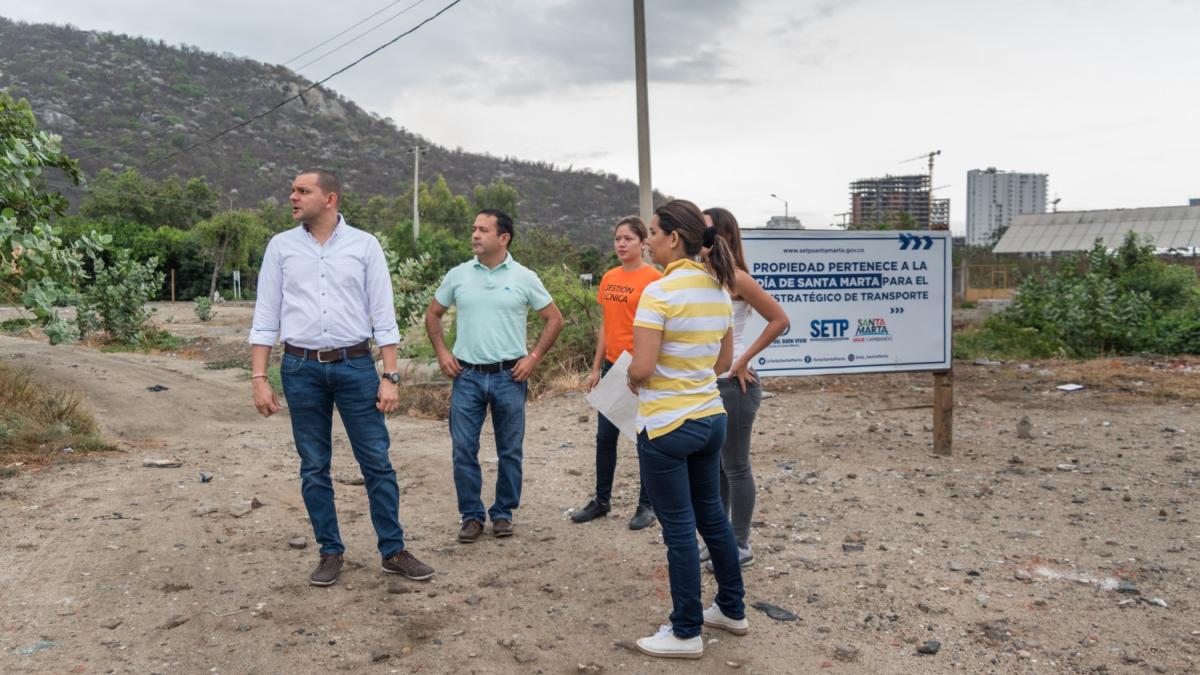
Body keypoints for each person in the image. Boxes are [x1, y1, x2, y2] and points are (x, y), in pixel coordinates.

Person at [249, 168, 434, 587]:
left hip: (355, 366)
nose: (292, 197)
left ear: (329, 198)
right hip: (300, 368)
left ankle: (394, 550)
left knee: (377, 462)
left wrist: (391, 376)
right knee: (314, 466)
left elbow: (383, 316)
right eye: (292, 189)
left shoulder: (364, 246)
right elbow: (265, 317)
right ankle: (330, 552)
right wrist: (260, 377)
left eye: (302, 191)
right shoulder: (280, 248)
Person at [628, 199, 748, 660]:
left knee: (678, 529)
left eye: (652, 233)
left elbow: (641, 366)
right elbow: (721, 363)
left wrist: (632, 377)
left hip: (666, 426)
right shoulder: (718, 289)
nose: (647, 241)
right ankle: (731, 610)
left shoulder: (658, 293)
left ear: (672, 239)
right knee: (713, 517)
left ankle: (684, 632)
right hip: (710, 418)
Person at [425, 209, 563, 543]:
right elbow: (433, 313)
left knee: (510, 450)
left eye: (483, 230)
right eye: (473, 228)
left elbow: (554, 319)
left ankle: (503, 512)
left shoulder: (524, 277)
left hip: (510, 376)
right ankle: (471, 516)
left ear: (504, 238)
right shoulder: (459, 274)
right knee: (463, 449)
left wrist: (533, 358)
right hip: (467, 375)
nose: (475, 235)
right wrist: (443, 352)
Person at [700, 207, 790, 569]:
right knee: (718, 468)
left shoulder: (736, 279)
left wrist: (743, 358)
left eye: (705, 230)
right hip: (709, 385)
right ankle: (720, 539)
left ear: (720, 234)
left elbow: (779, 319)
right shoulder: (701, 278)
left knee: (736, 467)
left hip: (736, 386)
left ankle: (740, 544)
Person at [570, 216, 661, 530]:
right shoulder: (609, 277)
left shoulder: (654, 279)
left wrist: (644, 368)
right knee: (604, 438)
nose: (621, 244)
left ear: (642, 243)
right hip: (612, 365)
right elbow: (606, 325)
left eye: (628, 239)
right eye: (617, 239)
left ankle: (647, 505)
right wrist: (596, 368)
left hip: (639, 368)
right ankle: (601, 501)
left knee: (644, 439)